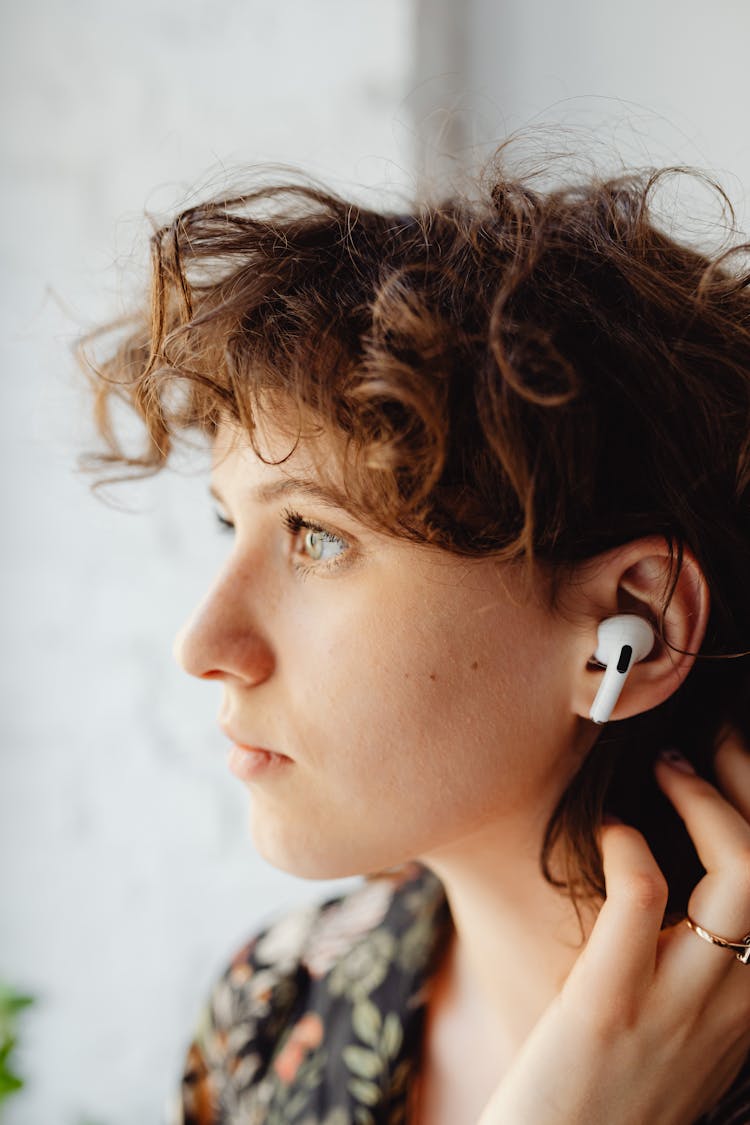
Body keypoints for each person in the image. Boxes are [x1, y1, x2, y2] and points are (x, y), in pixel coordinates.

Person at [80, 147, 750, 1124]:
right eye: (232, 525)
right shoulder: (271, 1011)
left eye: (315, 534)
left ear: (632, 627)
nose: (204, 644)